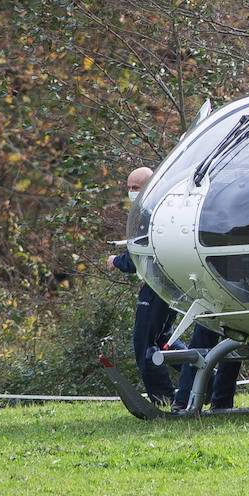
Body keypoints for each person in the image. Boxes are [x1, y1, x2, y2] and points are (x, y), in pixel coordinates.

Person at [104, 166, 175, 405]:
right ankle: (203, 379)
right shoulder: (157, 210)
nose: (132, 193)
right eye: (129, 188)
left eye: (136, 187)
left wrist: (116, 261)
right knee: (167, 341)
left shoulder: (149, 214)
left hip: (156, 285)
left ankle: (163, 398)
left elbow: (139, 256)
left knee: (144, 344)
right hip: (171, 284)